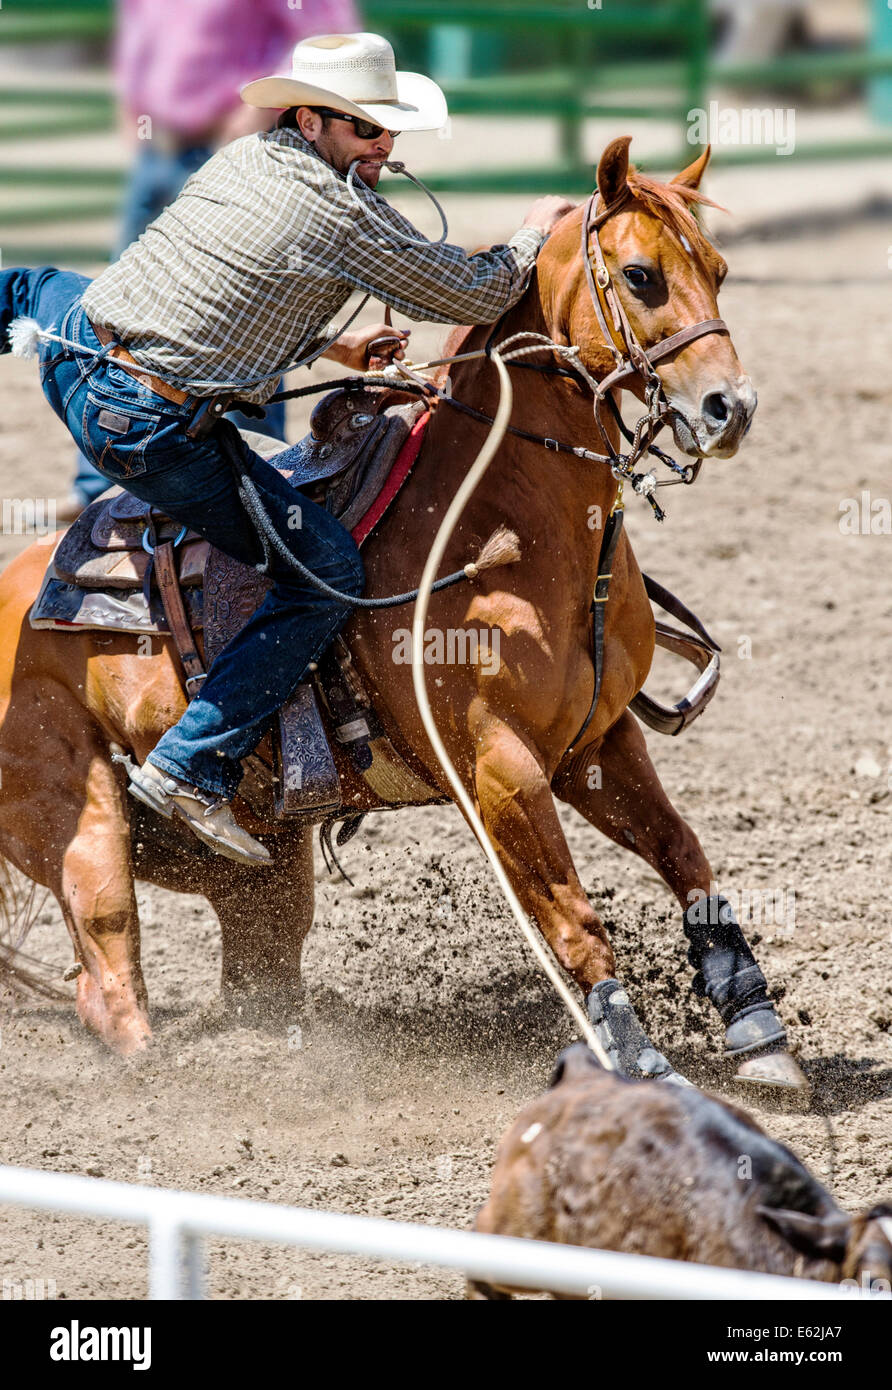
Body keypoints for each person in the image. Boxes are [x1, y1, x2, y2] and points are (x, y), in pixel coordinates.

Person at [1, 32, 574, 867]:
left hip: (79, 341)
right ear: (310, 119)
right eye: (366, 130)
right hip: (147, 426)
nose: (384, 147)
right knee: (325, 573)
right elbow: (479, 289)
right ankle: (194, 765)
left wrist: (330, 351)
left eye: (389, 132)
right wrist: (532, 233)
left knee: (19, 285)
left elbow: (229, 287)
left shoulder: (246, 161)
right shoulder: (345, 215)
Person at [66, 0, 360, 517]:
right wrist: (132, 101)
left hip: (228, 147)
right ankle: (102, 481)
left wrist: (257, 108)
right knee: (120, 306)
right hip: (160, 149)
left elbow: (326, 34)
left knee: (248, 303)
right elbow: (140, 32)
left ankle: (254, 469)